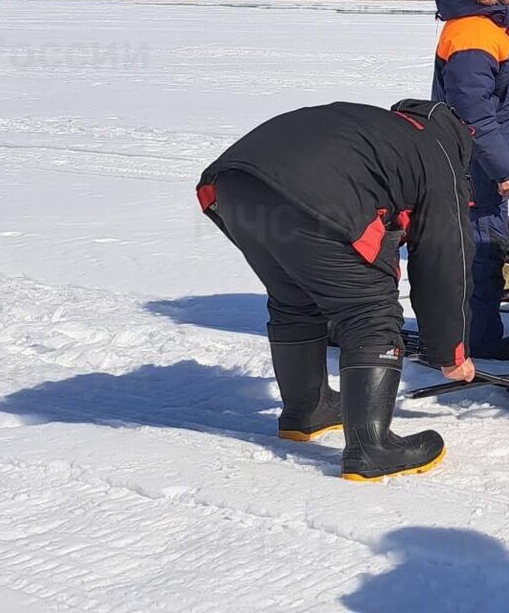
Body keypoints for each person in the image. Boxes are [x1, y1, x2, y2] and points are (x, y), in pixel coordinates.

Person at [196, 98, 476, 481]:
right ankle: (371, 448)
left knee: (294, 297)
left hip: (233, 185)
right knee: (369, 312)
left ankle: (307, 411)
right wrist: (451, 350)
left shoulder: (382, 130)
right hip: (308, 193)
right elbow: (444, 258)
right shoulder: (440, 157)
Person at [432, 0, 509, 362]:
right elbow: (471, 111)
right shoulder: (474, 33)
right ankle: (480, 340)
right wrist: (504, 166)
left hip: (484, 159)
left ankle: (475, 333)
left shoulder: (484, 24)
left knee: (480, 248)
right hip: (478, 168)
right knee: (481, 251)